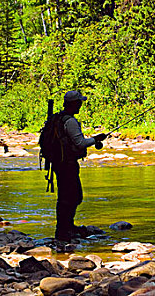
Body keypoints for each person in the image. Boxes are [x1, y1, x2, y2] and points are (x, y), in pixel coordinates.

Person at [53, 90, 106, 243]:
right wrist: (96, 139)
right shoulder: (69, 121)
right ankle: (65, 229)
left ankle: (65, 227)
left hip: (60, 163)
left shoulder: (59, 118)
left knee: (66, 196)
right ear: (74, 104)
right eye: (79, 103)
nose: (81, 105)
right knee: (73, 196)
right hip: (67, 164)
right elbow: (80, 143)